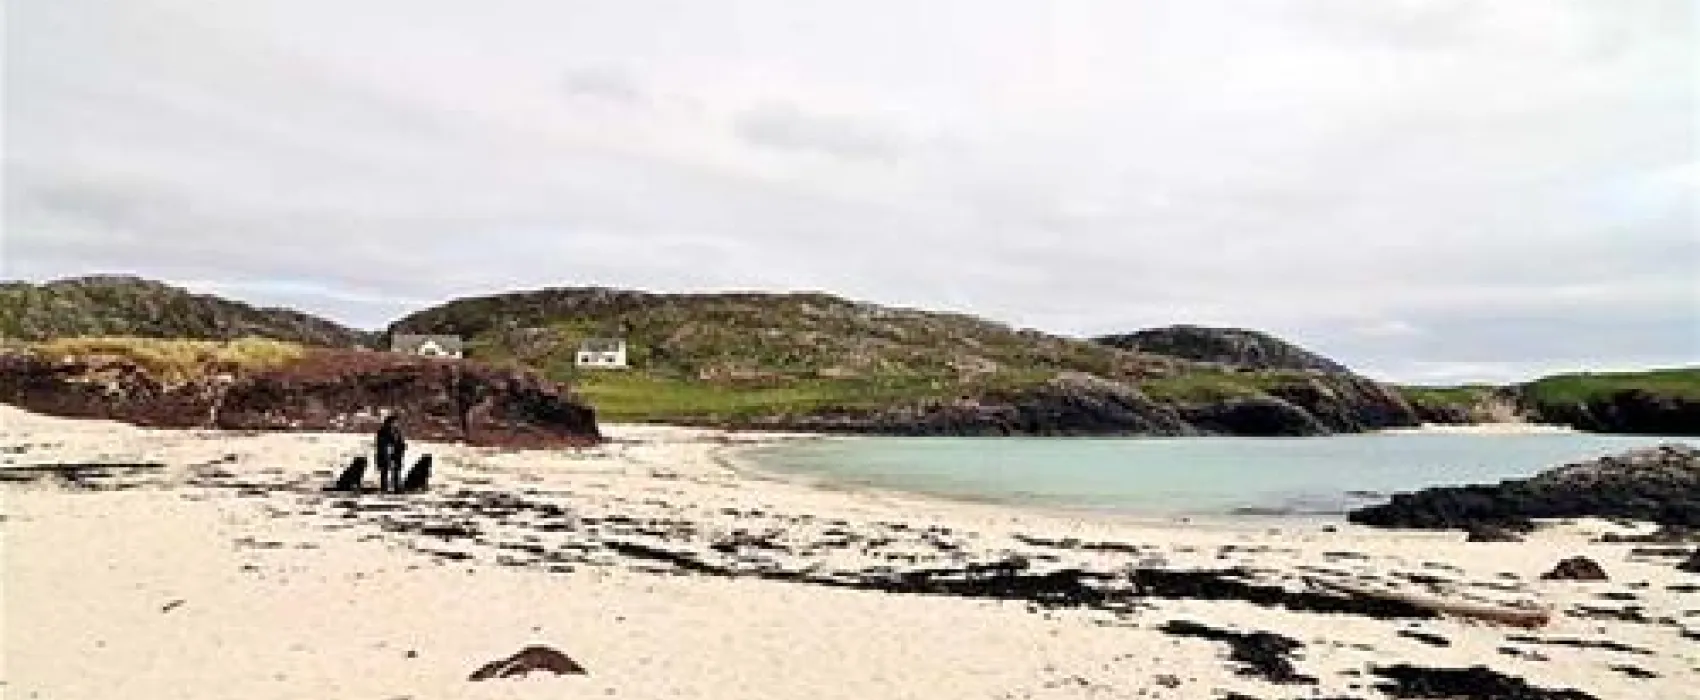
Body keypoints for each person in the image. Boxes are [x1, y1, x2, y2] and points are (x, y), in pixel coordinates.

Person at [375, 415, 407, 493]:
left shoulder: (397, 431)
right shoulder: (382, 432)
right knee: (384, 473)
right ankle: (384, 488)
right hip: (384, 455)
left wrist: (401, 449)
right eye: (393, 422)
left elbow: (400, 443)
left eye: (395, 422)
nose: (395, 424)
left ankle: (397, 488)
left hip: (396, 455)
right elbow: (382, 445)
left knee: (396, 473)